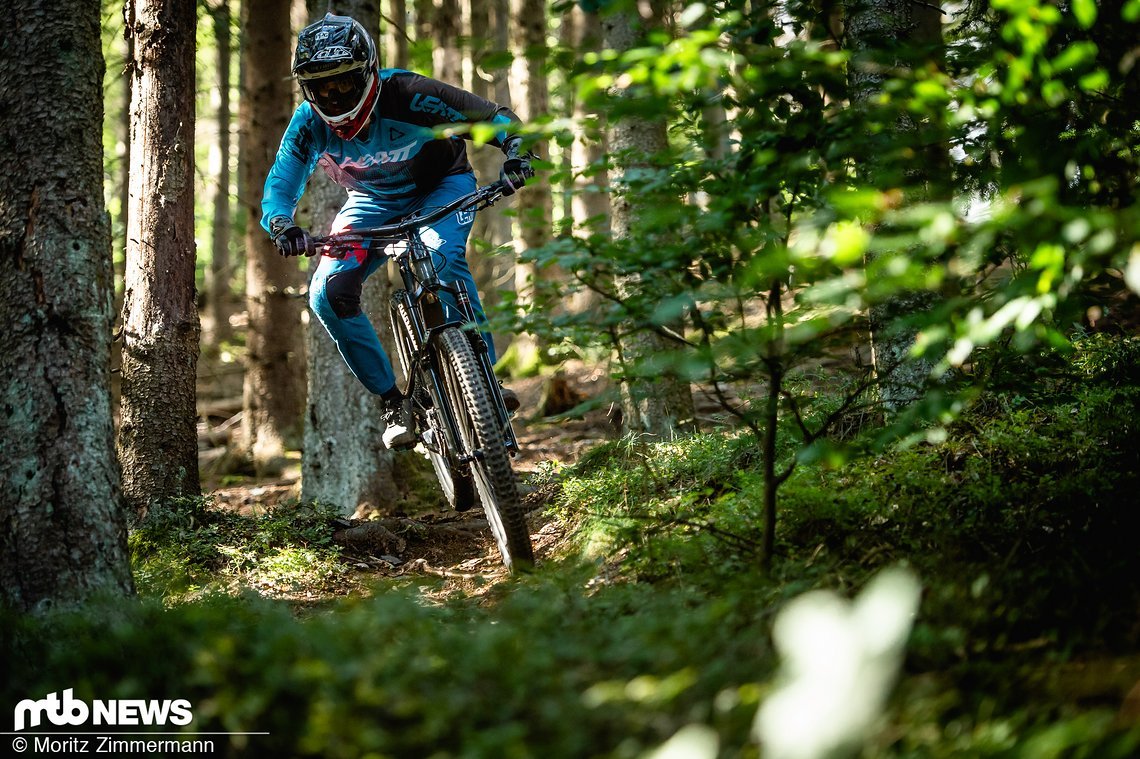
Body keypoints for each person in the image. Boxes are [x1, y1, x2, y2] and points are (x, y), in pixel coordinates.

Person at [261, 13, 533, 450]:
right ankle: (394, 402)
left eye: (343, 84)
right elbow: (280, 185)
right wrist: (282, 225)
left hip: (442, 187)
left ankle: (483, 382)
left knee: (441, 258)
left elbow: (491, 117)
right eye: (319, 87)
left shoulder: (409, 93)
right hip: (373, 205)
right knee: (326, 294)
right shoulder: (308, 125)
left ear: (367, 72)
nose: (331, 95)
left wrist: (515, 150)